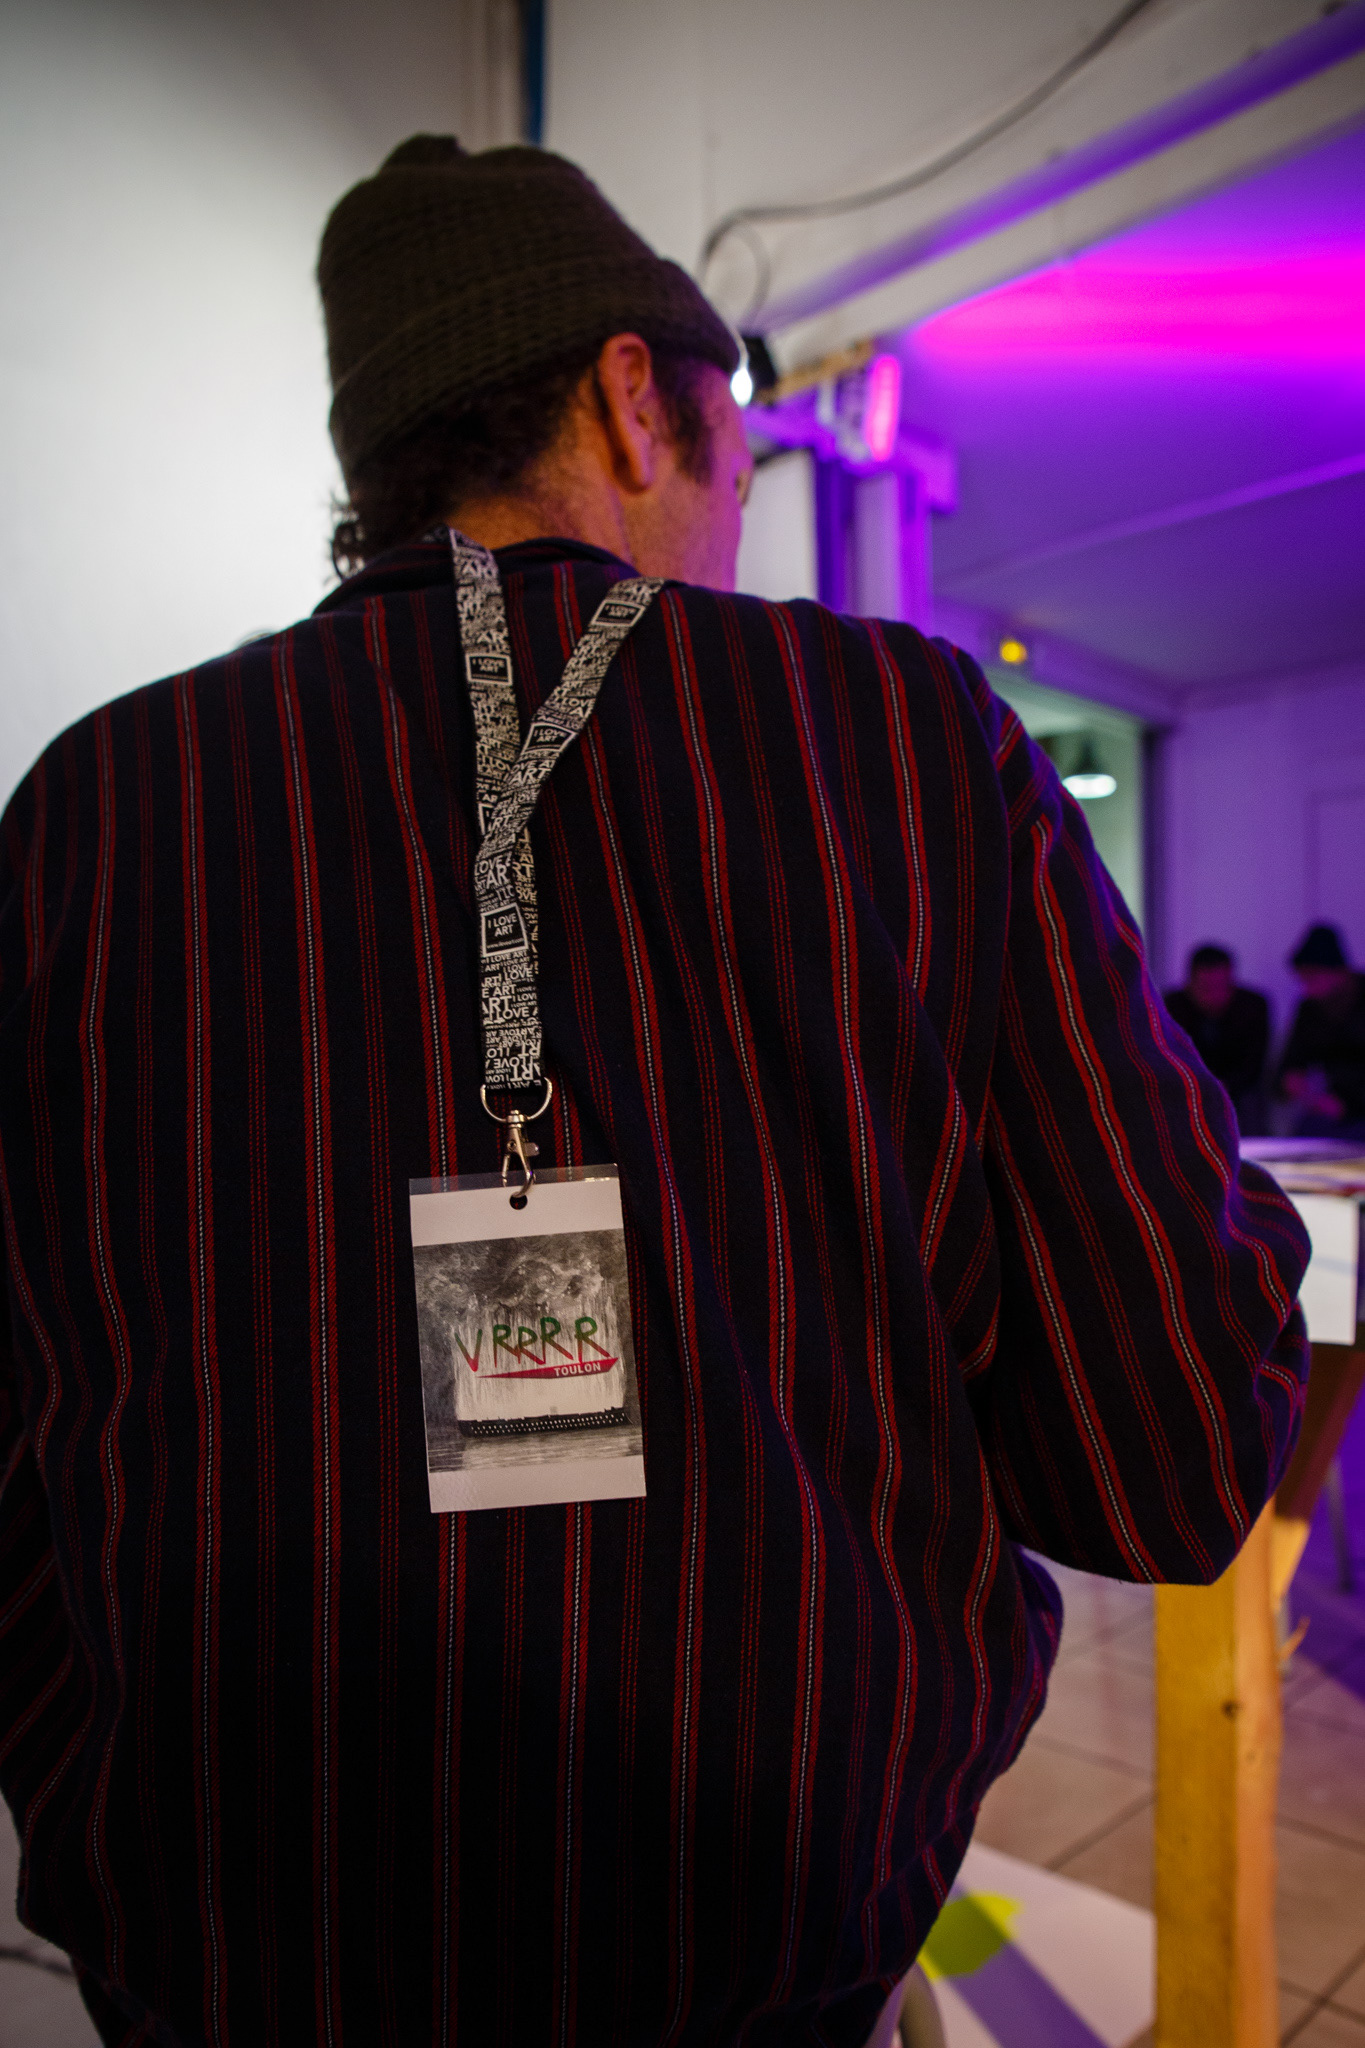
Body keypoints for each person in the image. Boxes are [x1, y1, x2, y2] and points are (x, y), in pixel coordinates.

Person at [0, 136, 1310, 2048]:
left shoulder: (89, 811)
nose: (737, 528)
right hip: (760, 1964)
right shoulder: (904, 743)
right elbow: (1173, 1447)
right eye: (741, 465)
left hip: (216, 1960)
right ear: (633, 398)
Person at [1163, 943, 1269, 1132]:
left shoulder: (1252, 1007)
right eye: (1206, 988)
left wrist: (1223, 1086)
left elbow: (1253, 1065)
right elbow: (1168, 1058)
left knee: (1250, 1101)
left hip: (1238, 1090)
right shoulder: (1172, 1006)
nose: (1215, 995)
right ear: (1190, 985)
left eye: (1222, 986)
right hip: (1188, 1088)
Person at [1277, 923, 1365, 1140]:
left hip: (1355, 1108)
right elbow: (1291, 1059)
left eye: (1312, 978)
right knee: (1304, 1137)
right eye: (1303, 980)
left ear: (1337, 971)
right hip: (1329, 1109)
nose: (1307, 988)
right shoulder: (1310, 1008)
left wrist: (1349, 1105)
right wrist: (1290, 1079)